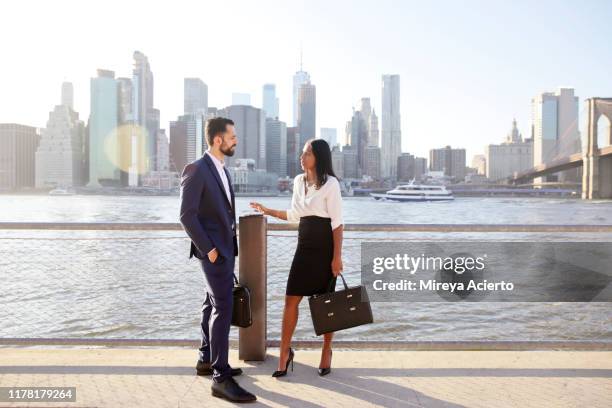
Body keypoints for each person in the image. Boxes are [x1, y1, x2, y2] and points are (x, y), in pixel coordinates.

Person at [250, 138, 344, 378]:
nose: (302, 158)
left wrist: (337, 258)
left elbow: (337, 224)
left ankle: (326, 350)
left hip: (325, 249)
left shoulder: (331, 184)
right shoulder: (298, 181)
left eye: (307, 153)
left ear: (319, 157)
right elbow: (294, 215)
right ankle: (284, 352)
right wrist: (268, 211)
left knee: (326, 304)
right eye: (302, 153)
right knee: (291, 300)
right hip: (304, 248)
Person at [179, 117, 256, 403]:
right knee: (223, 307)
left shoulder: (222, 170)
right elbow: (187, 215)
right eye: (232, 136)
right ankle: (220, 377)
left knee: (211, 303)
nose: (236, 140)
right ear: (217, 140)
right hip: (214, 252)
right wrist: (210, 249)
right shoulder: (197, 169)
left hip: (225, 249)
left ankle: (206, 359)